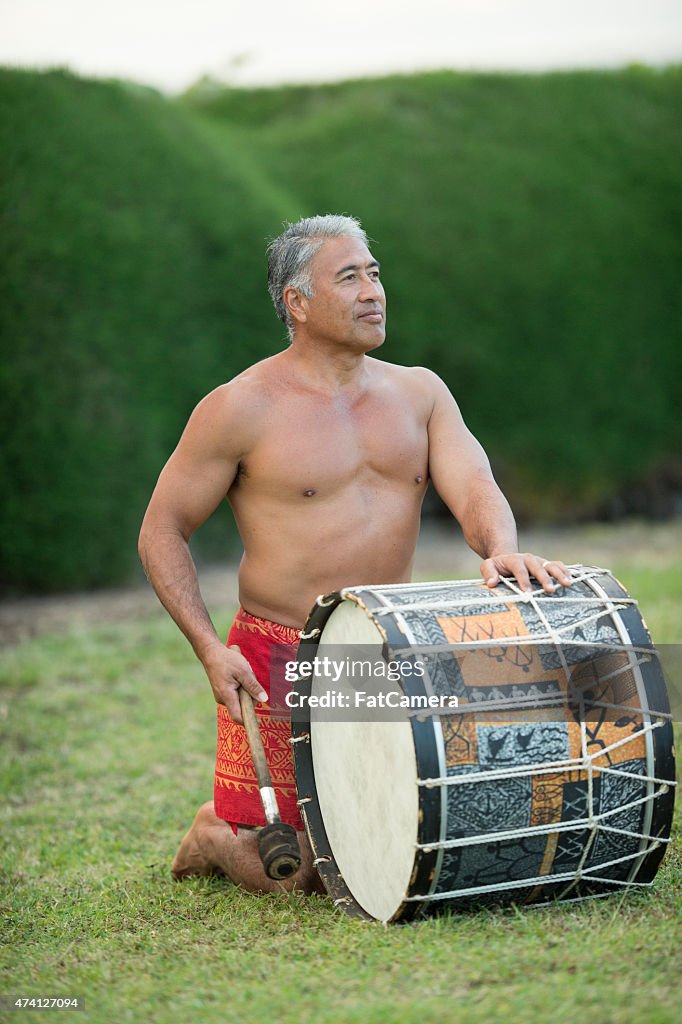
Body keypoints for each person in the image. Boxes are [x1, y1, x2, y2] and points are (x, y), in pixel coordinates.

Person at [138, 213, 572, 894]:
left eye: (375, 272)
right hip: (276, 654)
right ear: (298, 304)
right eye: (350, 277)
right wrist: (205, 646)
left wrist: (502, 550)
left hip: (384, 651)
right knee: (298, 874)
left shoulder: (420, 393)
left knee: (400, 841)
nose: (374, 290)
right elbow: (161, 529)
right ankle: (218, 832)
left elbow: (476, 485)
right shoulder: (239, 408)